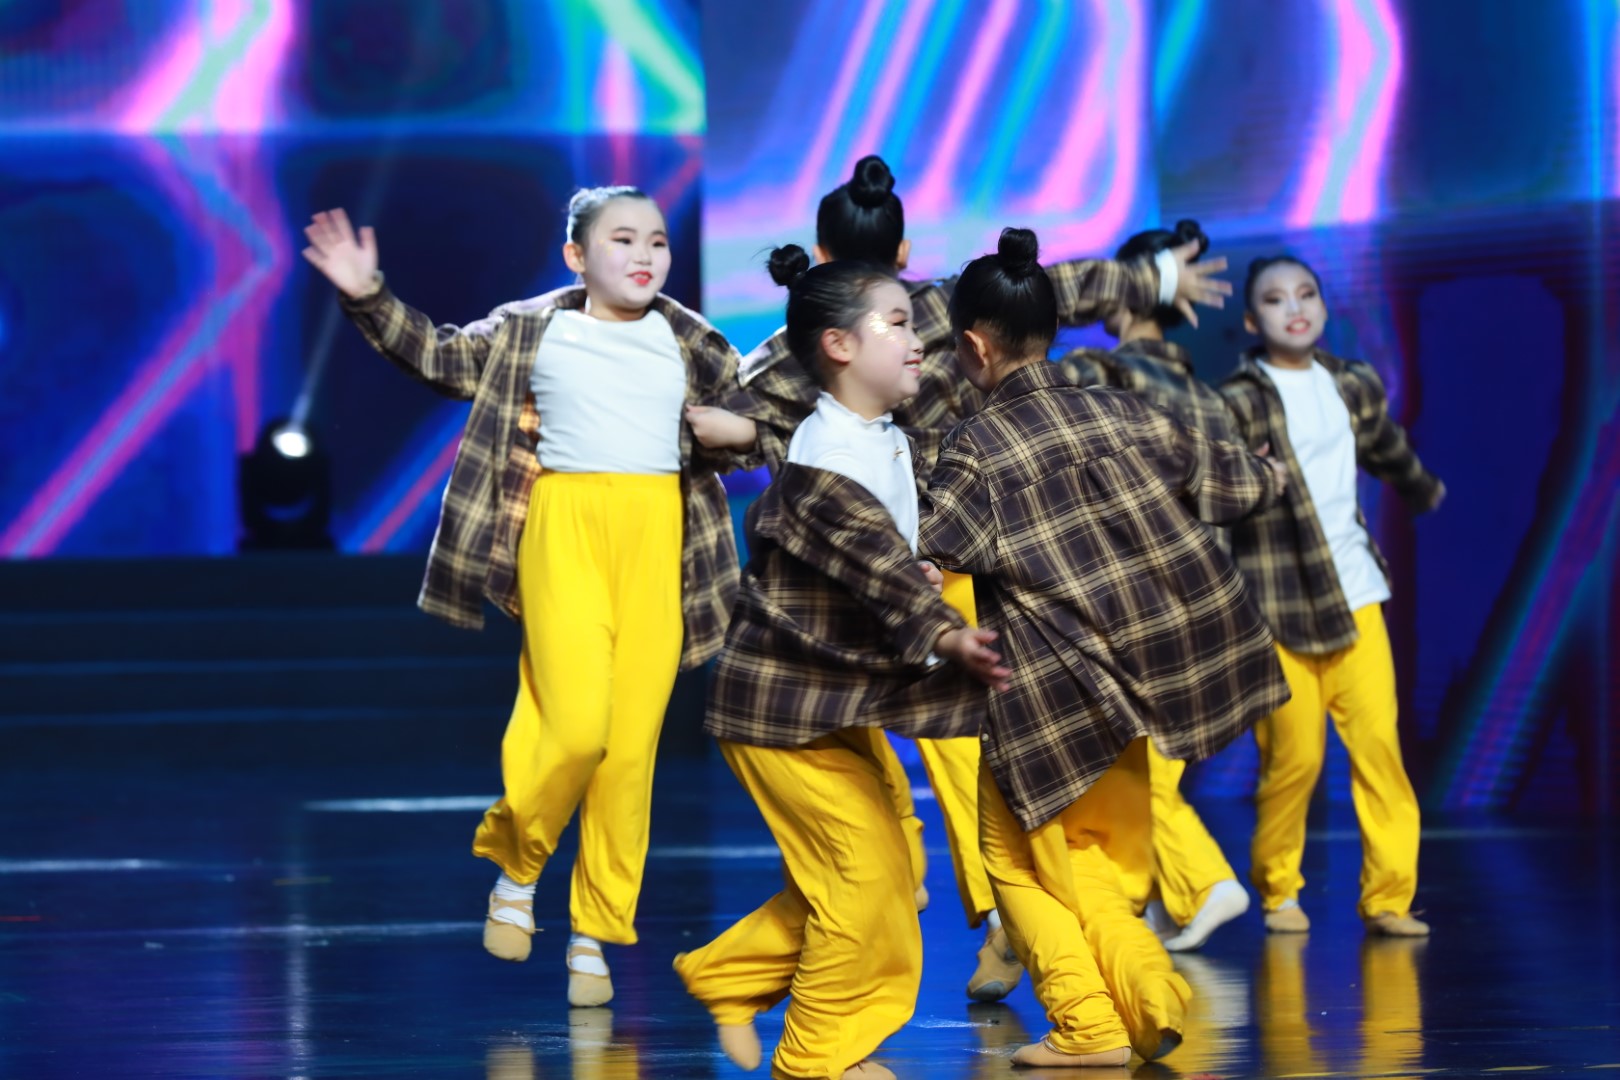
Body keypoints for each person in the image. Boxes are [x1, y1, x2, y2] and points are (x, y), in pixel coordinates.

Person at [695, 155, 1231, 1002]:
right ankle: (999, 913)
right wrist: (1156, 276)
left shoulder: (799, 353)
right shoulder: (938, 304)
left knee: (914, 755)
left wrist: (732, 432)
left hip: (893, 577)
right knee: (990, 756)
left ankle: (971, 910)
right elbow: (1058, 287)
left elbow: (745, 428)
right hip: (942, 562)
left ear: (820, 256)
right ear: (904, 250)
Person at [300, 188, 755, 1007]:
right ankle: (519, 863)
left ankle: (595, 933)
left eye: (657, 240)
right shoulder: (530, 328)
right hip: (563, 525)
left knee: (629, 755)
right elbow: (441, 359)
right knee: (574, 727)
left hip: (660, 538)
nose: (645, 254)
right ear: (577, 256)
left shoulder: (691, 338)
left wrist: (747, 431)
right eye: (623, 239)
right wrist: (369, 295)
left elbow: (766, 415)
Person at [921, 228, 1291, 1067]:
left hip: (1047, 704)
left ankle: (1088, 1025)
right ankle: (1151, 1000)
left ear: (972, 347)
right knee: (1091, 869)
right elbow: (1227, 479)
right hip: (1138, 692)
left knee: (1012, 865)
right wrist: (1269, 472)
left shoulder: (975, 446)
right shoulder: (1122, 409)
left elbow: (936, 545)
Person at [675, 249, 1009, 1080]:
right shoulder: (827, 458)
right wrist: (946, 631)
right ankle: (816, 1060)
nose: (918, 339)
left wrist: (921, 573)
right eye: (896, 324)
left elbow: (884, 555)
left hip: (831, 702)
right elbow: (870, 555)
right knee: (864, 880)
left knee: (880, 875)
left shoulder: (881, 438)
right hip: (781, 714)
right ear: (839, 346)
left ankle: (731, 977)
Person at [1220, 255, 1444, 939]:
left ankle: (1389, 898)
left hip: (1355, 593)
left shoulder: (1351, 382)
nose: (1296, 307)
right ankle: (1279, 890)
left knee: (1378, 749)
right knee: (1295, 761)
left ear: (1322, 305)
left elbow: (1385, 446)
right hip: (1277, 605)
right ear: (1252, 320)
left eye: (1307, 293)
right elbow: (1213, 488)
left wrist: (1422, 487)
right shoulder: (1238, 401)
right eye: (1276, 299)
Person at [1058, 219, 1253, 953]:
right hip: (1204, 597)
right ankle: (1168, 895)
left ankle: (1200, 883)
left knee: (1133, 764)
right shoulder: (1209, 398)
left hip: (1134, 597)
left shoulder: (1099, 375)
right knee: (1146, 760)